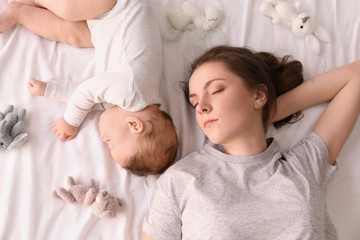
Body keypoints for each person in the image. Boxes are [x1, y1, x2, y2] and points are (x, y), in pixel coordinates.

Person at [141, 45, 360, 239]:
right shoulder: (181, 180)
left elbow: (356, 75)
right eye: (194, 102)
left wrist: (267, 112)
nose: (202, 107)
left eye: (216, 90)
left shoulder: (304, 167)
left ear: (258, 95)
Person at [0, 0, 178, 176]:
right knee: (68, 9)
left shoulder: (126, 104)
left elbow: (90, 97)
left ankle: (19, 13)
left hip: (104, 27)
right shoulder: (131, 91)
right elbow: (86, 93)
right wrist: (70, 122)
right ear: (134, 124)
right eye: (111, 142)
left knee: (72, 35)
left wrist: (50, 90)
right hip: (117, 6)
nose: (104, 139)